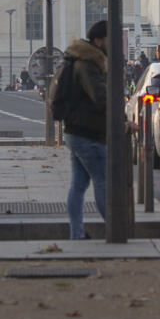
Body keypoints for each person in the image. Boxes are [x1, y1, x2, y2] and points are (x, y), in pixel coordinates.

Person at [55, 20, 110, 240]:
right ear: (99, 40)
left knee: (78, 184)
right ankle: (116, 228)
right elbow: (100, 96)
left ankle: (76, 233)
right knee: (102, 180)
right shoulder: (87, 63)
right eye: (110, 39)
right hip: (88, 132)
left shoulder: (79, 59)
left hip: (76, 130)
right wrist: (120, 118)